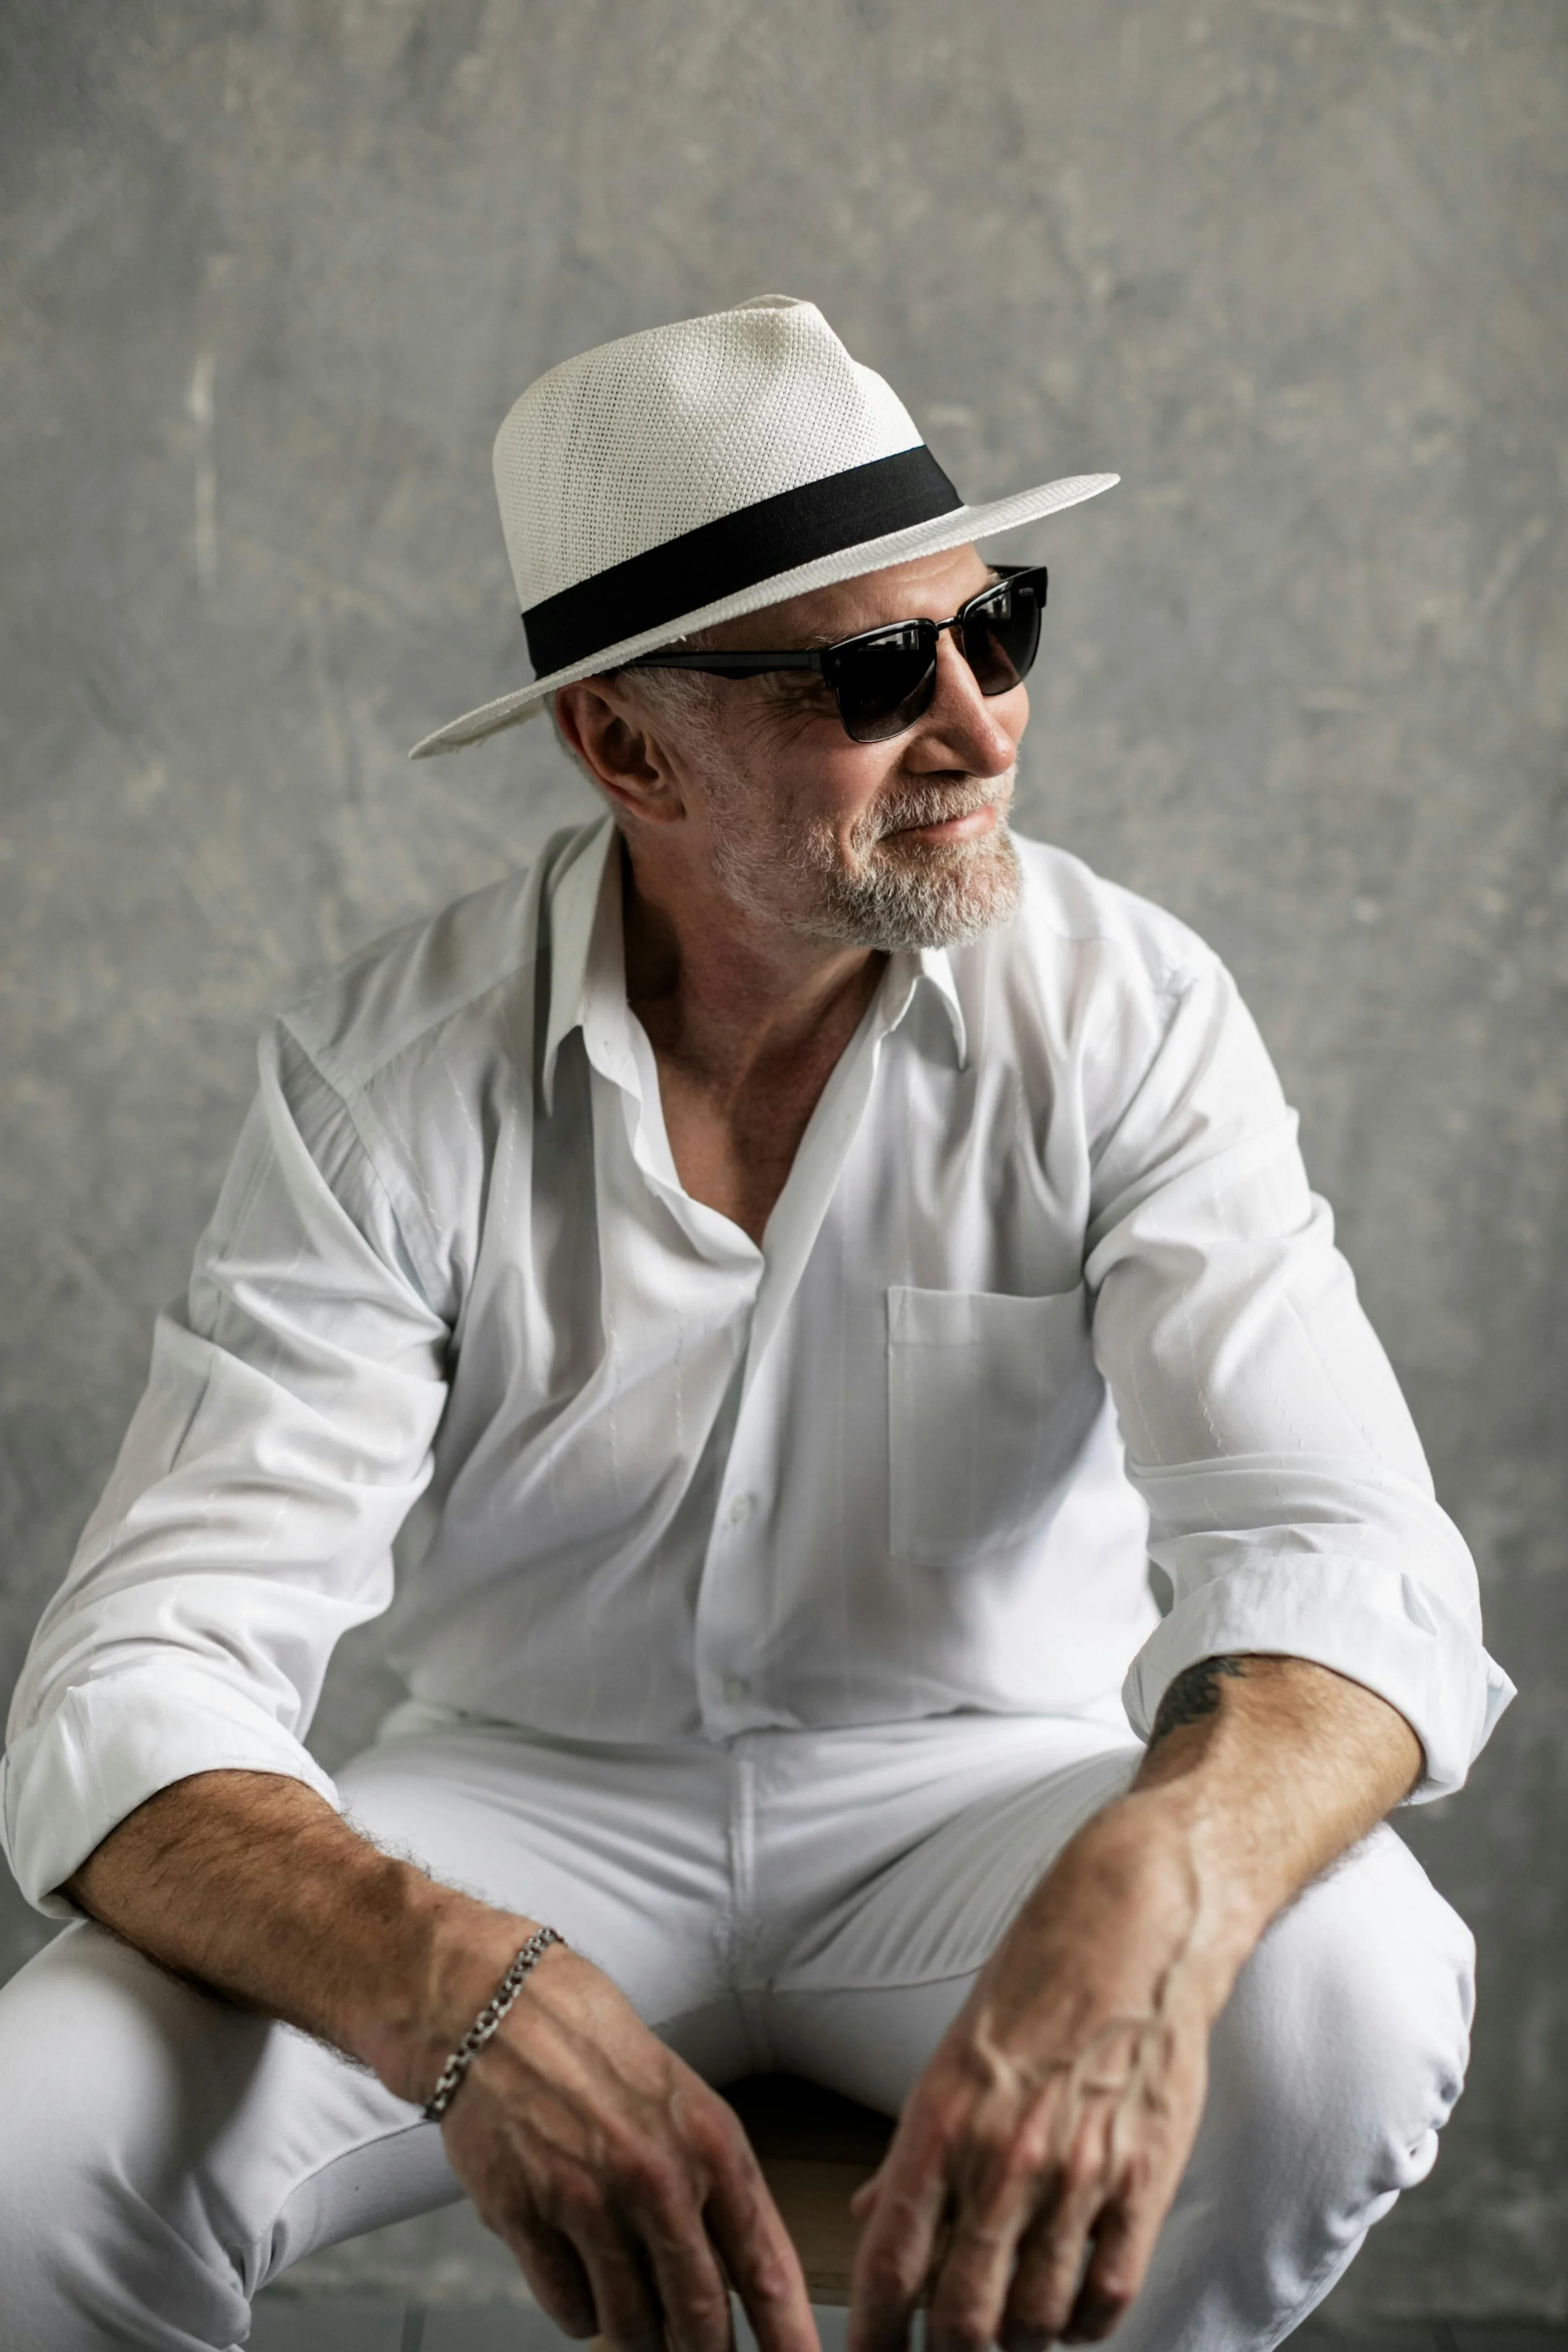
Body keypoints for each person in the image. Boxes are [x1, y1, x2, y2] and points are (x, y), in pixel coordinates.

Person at [0, 296, 1511, 2352]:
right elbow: (136, 1671)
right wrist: (454, 1982)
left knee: (1348, 1999)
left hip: (982, 1807)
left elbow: (1346, 1554)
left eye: (995, 628)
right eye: (875, 672)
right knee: (35, 2138)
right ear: (625, 744)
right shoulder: (387, 1079)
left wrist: (1157, 1871)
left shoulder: (1130, 1013)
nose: (979, 726)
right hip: (518, 1810)